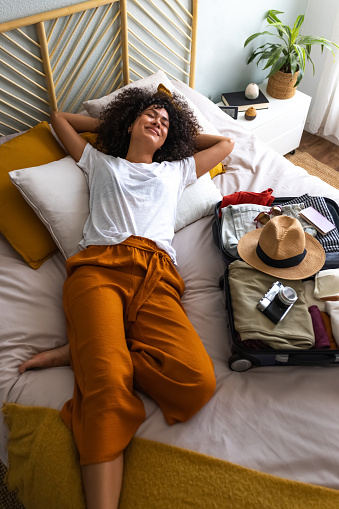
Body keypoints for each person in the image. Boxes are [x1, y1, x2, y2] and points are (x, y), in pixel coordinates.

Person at [19, 86, 235, 509]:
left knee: (196, 382)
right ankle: (95, 349)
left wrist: (176, 135)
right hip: (99, 270)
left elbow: (226, 143)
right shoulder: (99, 162)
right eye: (151, 115)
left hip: (157, 274)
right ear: (130, 122)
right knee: (106, 386)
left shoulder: (175, 170)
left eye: (165, 122)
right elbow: (59, 119)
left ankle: (87, 346)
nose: (158, 121)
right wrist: (113, 123)